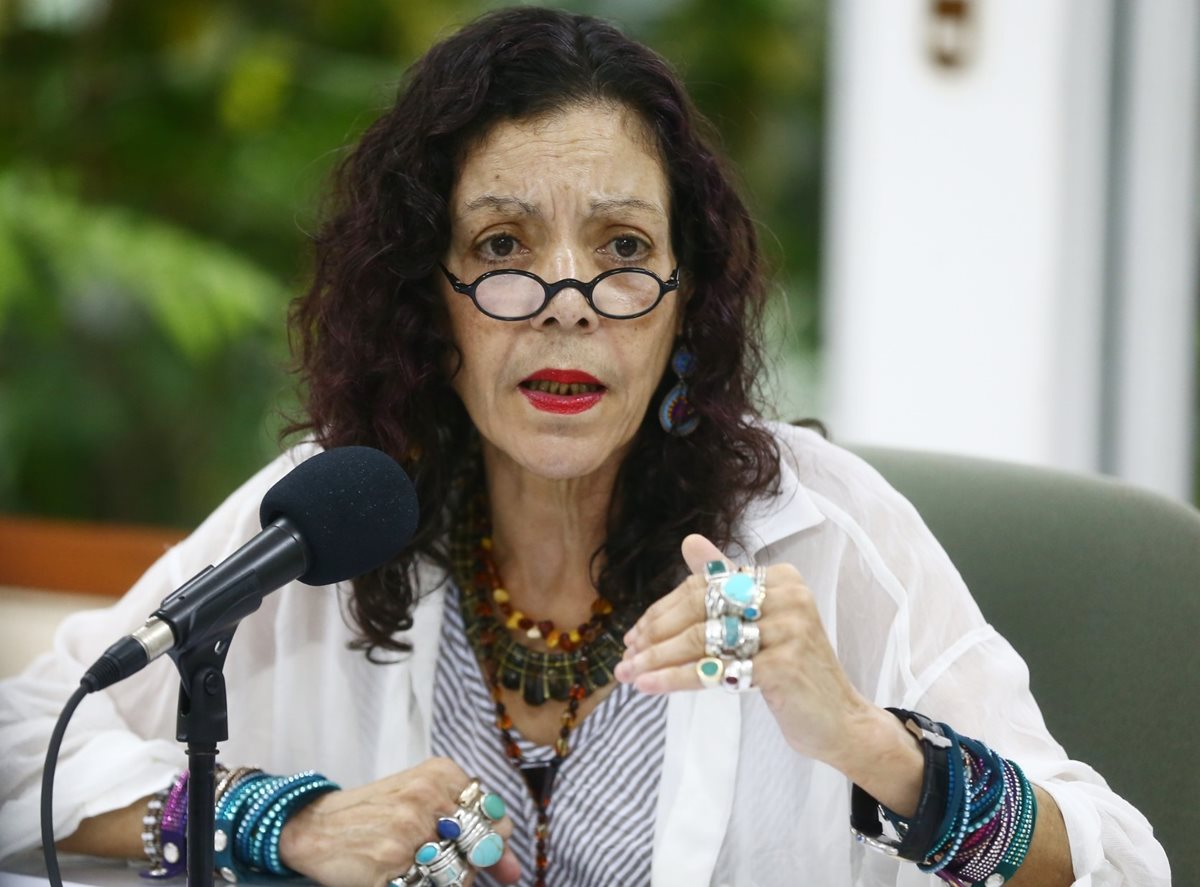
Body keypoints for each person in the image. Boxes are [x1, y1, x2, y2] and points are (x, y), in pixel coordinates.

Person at [0, 7, 1170, 887]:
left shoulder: (822, 530)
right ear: (431, 296)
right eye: (505, 243)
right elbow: (22, 749)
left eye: (620, 247)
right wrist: (280, 820)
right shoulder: (331, 510)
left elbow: (1121, 858)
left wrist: (871, 743)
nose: (567, 298)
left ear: (682, 300)